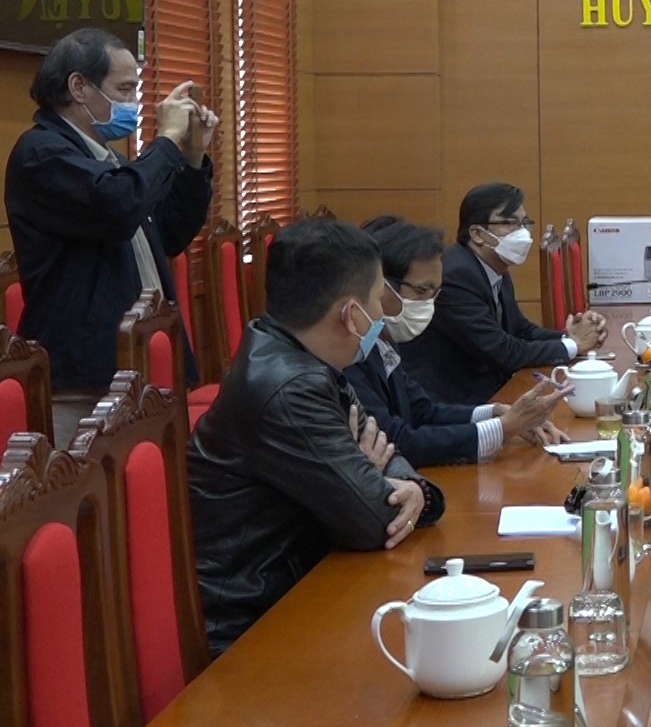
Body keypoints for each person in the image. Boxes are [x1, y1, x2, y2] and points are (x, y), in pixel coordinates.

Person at [188, 219, 445, 655]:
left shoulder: (302, 357)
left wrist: (410, 488)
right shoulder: (290, 387)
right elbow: (375, 520)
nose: (382, 313)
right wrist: (374, 476)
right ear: (350, 314)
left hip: (302, 587)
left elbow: (389, 455)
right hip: (255, 626)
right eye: (377, 300)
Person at [4, 28, 216, 443]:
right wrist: (166, 141)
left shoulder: (108, 160)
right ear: (79, 87)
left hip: (141, 368)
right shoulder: (41, 154)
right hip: (85, 379)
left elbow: (169, 234)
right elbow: (119, 206)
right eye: (124, 89)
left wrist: (191, 158)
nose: (134, 102)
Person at [345, 216, 571, 467]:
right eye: (422, 291)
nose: (428, 304)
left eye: (435, 294)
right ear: (381, 286)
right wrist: (503, 428)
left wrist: (496, 413)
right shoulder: (348, 352)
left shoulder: (384, 340)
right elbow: (396, 440)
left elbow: (422, 410)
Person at [397, 183, 607, 405]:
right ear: (477, 234)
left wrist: (568, 336)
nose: (522, 232)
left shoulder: (494, 266)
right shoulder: (457, 276)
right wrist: (574, 345)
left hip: (489, 390)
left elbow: (520, 329)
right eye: (509, 223)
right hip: (454, 402)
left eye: (524, 223)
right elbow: (503, 351)